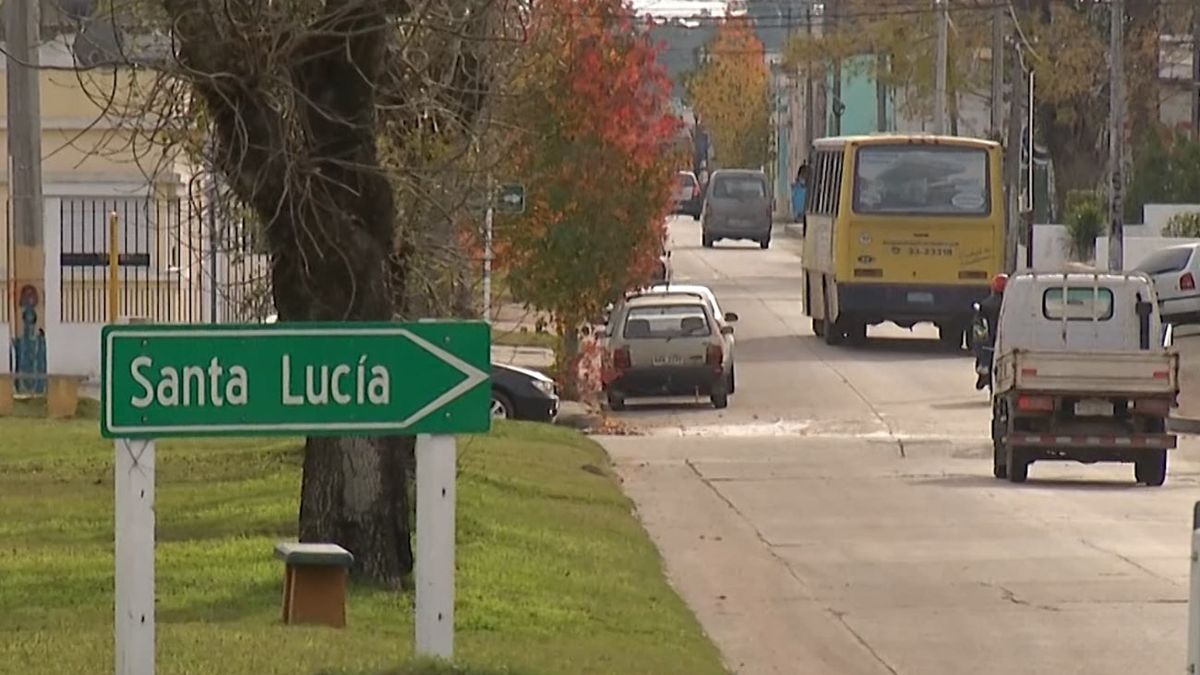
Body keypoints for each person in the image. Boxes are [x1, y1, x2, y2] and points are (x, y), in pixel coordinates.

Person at [974, 273, 1007, 390]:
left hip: (989, 343)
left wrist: (980, 344)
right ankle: (984, 373)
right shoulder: (1012, 304)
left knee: (983, 357)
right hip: (1005, 341)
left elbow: (979, 328)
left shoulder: (985, 304)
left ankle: (983, 372)